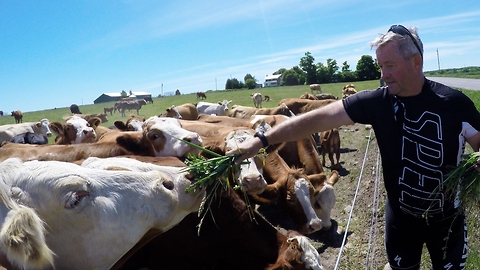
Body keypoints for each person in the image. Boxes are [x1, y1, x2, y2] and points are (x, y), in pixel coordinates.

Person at [227, 25, 480, 270]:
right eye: (381, 66)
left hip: (448, 221)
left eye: (389, 65)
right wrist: (261, 141)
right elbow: (314, 120)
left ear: (416, 62)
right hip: (401, 222)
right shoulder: (377, 102)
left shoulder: (455, 104)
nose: (383, 74)